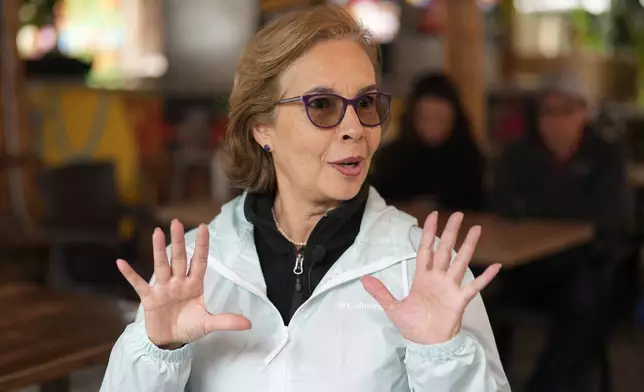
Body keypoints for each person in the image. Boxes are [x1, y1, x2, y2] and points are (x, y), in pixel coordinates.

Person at [100, 5, 509, 391]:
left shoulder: (423, 269)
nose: (355, 128)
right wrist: (158, 352)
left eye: (366, 103)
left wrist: (443, 356)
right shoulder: (193, 268)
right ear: (262, 126)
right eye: (322, 105)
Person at [490, 71, 633, 392]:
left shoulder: (606, 155)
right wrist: (564, 203)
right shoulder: (519, 154)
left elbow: (610, 217)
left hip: (592, 265)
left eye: (565, 111)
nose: (555, 121)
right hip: (529, 263)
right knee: (477, 290)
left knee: (583, 299)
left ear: (584, 113)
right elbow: (501, 207)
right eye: (547, 112)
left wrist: (539, 205)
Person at [370, 72, 485, 211]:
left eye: (440, 119)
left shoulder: (470, 159)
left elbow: (478, 208)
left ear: (454, 119)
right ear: (412, 117)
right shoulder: (391, 158)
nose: (433, 127)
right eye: (426, 118)